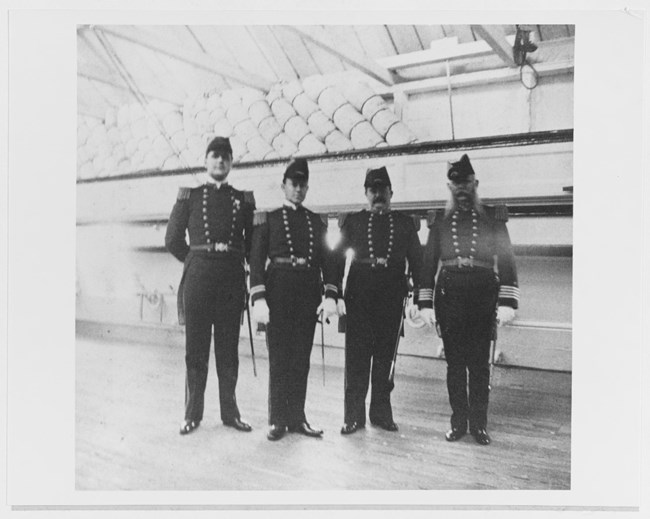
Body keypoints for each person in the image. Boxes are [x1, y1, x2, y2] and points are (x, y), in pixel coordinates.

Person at [418, 154, 519, 445]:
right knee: (454, 365)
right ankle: (458, 422)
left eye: (465, 182)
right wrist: (424, 302)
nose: (461, 188)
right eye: (455, 182)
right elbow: (428, 264)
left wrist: (507, 301)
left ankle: (479, 425)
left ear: (475, 183)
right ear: (449, 186)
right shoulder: (439, 221)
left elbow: (508, 260)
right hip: (449, 295)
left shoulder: (492, 218)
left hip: (482, 294)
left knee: (479, 365)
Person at [165, 136, 256, 435]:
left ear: (231, 163)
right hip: (199, 279)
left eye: (226, 157)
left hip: (230, 279)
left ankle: (230, 414)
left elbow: (252, 244)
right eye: (215, 156)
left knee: (228, 351)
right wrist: (194, 261)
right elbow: (172, 240)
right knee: (196, 350)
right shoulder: (189, 197)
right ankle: (192, 414)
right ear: (205, 161)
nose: (220, 161)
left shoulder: (242, 200)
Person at [249, 158, 338, 441]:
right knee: (279, 359)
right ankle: (277, 420)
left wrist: (330, 295)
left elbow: (329, 261)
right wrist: (259, 298)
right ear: (283, 186)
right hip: (278, 294)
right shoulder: (269, 219)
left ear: (307, 188)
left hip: (306, 294)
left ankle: (297, 418)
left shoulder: (315, 222)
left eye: (302, 185)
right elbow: (255, 261)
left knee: (301, 359)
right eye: (293, 184)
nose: (298, 190)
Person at [334, 166, 423, 435]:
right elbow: (337, 258)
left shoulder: (405, 224)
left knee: (385, 359)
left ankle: (381, 413)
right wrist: (334, 293)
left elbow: (418, 262)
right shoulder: (353, 222)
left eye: (382, 190)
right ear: (365, 193)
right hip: (359, 297)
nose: (378, 195)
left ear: (391, 192)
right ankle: (353, 416)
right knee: (357, 359)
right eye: (373, 190)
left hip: (391, 296)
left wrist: (420, 298)